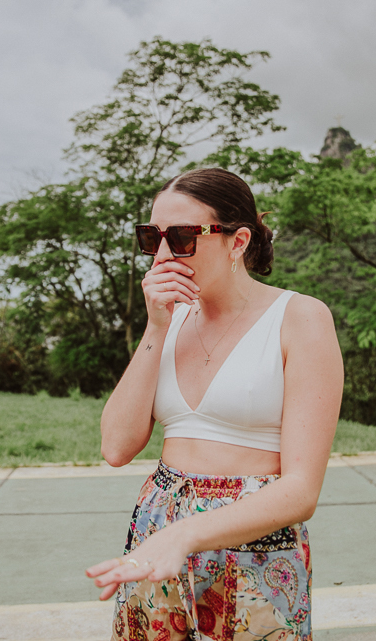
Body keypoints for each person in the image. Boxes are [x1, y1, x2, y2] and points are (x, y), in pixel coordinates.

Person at [86, 168, 343, 640]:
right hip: (157, 538)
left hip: (254, 548)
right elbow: (116, 446)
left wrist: (186, 534)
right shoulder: (171, 320)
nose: (163, 255)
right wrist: (157, 327)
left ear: (237, 240)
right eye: (152, 237)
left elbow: (302, 490)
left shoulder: (299, 318)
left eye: (182, 237)